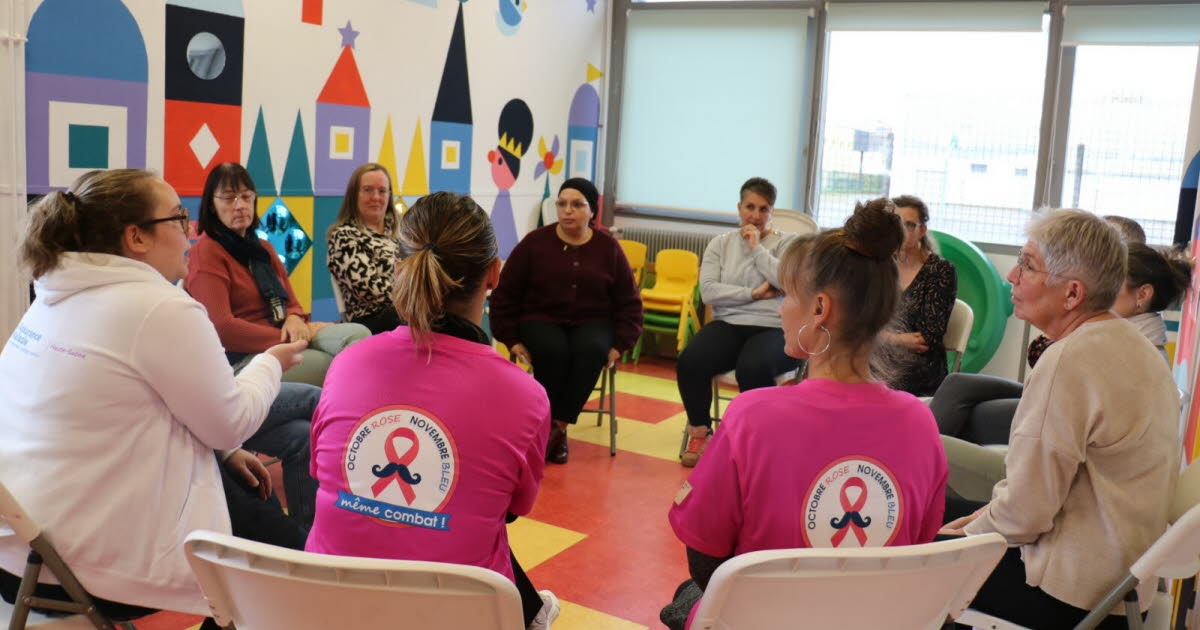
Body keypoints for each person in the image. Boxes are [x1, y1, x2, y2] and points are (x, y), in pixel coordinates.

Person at [0, 169, 307, 624]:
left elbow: (125, 408)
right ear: (135, 238)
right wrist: (271, 363)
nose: (191, 232)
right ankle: (311, 571)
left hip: (25, 556)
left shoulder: (53, 295)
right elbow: (232, 420)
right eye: (179, 218)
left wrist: (224, 451)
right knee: (278, 548)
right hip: (103, 569)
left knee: (244, 483)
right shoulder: (158, 306)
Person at [662, 198, 948, 630]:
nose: (779, 308)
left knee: (686, 597)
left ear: (819, 309)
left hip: (764, 619)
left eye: (787, 295)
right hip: (874, 620)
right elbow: (918, 549)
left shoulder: (751, 417)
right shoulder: (922, 423)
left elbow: (706, 560)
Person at [306, 191, 559, 630]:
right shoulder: (526, 395)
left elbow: (325, 474)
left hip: (327, 608)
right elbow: (513, 508)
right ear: (494, 274)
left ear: (399, 268)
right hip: (456, 616)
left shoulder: (347, 363)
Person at [940, 209, 1179, 630]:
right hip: (1120, 583)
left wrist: (965, 536)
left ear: (1071, 294)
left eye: (1028, 265)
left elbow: (1024, 517)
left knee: (913, 543)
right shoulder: (1133, 342)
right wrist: (979, 522)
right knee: (935, 511)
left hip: (1071, 594)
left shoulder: (1070, 358)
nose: (1012, 274)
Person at [931, 237, 1189, 446]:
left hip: (1067, 413)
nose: (1101, 289)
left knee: (973, 415)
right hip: (1060, 401)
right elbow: (1042, 357)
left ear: (1143, 294)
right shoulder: (1116, 329)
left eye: (1112, 282)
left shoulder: (1133, 348)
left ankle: (918, 474)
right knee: (958, 383)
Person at [489, 178, 643, 464]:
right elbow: (505, 292)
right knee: (553, 351)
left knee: (591, 350)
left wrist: (620, 344)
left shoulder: (608, 248)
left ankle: (555, 428)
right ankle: (552, 431)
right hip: (541, 318)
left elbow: (629, 302)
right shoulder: (535, 243)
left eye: (577, 204)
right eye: (562, 204)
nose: (567, 210)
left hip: (593, 321)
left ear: (591, 212)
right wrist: (511, 338)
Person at [186, 162, 369, 386]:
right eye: (229, 198)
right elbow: (222, 328)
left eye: (246, 196)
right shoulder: (206, 251)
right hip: (247, 360)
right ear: (212, 205)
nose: (240, 205)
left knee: (358, 336)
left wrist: (293, 318)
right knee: (333, 365)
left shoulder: (263, 247)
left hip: (286, 334)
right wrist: (292, 337)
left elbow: (292, 303)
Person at [674, 177, 805, 467]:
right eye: (750, 207)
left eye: (763, 209)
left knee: (753, 366)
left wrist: (757, 249)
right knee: (690, 361)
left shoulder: (789, 243)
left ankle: (754, 440)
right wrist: (755, 293)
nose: (755, 216)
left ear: (772, 212)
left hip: (775, 325)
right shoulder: (720, 244)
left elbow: (785, 280)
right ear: (739, 207)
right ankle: (699, 431)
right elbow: (709, 291)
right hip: (729, 323)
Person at [882, 195, 956, 396]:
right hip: (881, 356)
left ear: (922, 230)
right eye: (896, 224)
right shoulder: (881, 266)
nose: (900, 231)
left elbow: (927, 339)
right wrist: (895, 339)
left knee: (877, 383)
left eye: (908, 225)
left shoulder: (940, 271)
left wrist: (879, 337)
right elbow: (860, 323)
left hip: (919, 368)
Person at [326, 162, 404, 334]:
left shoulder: (402, 235)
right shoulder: (344, 237)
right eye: (368, 190)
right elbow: (369, 290)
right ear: (354, 195)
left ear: (389, 196)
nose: (376, 197)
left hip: (405, 311)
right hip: (370, 320)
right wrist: (415, 295)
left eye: (382, 191)